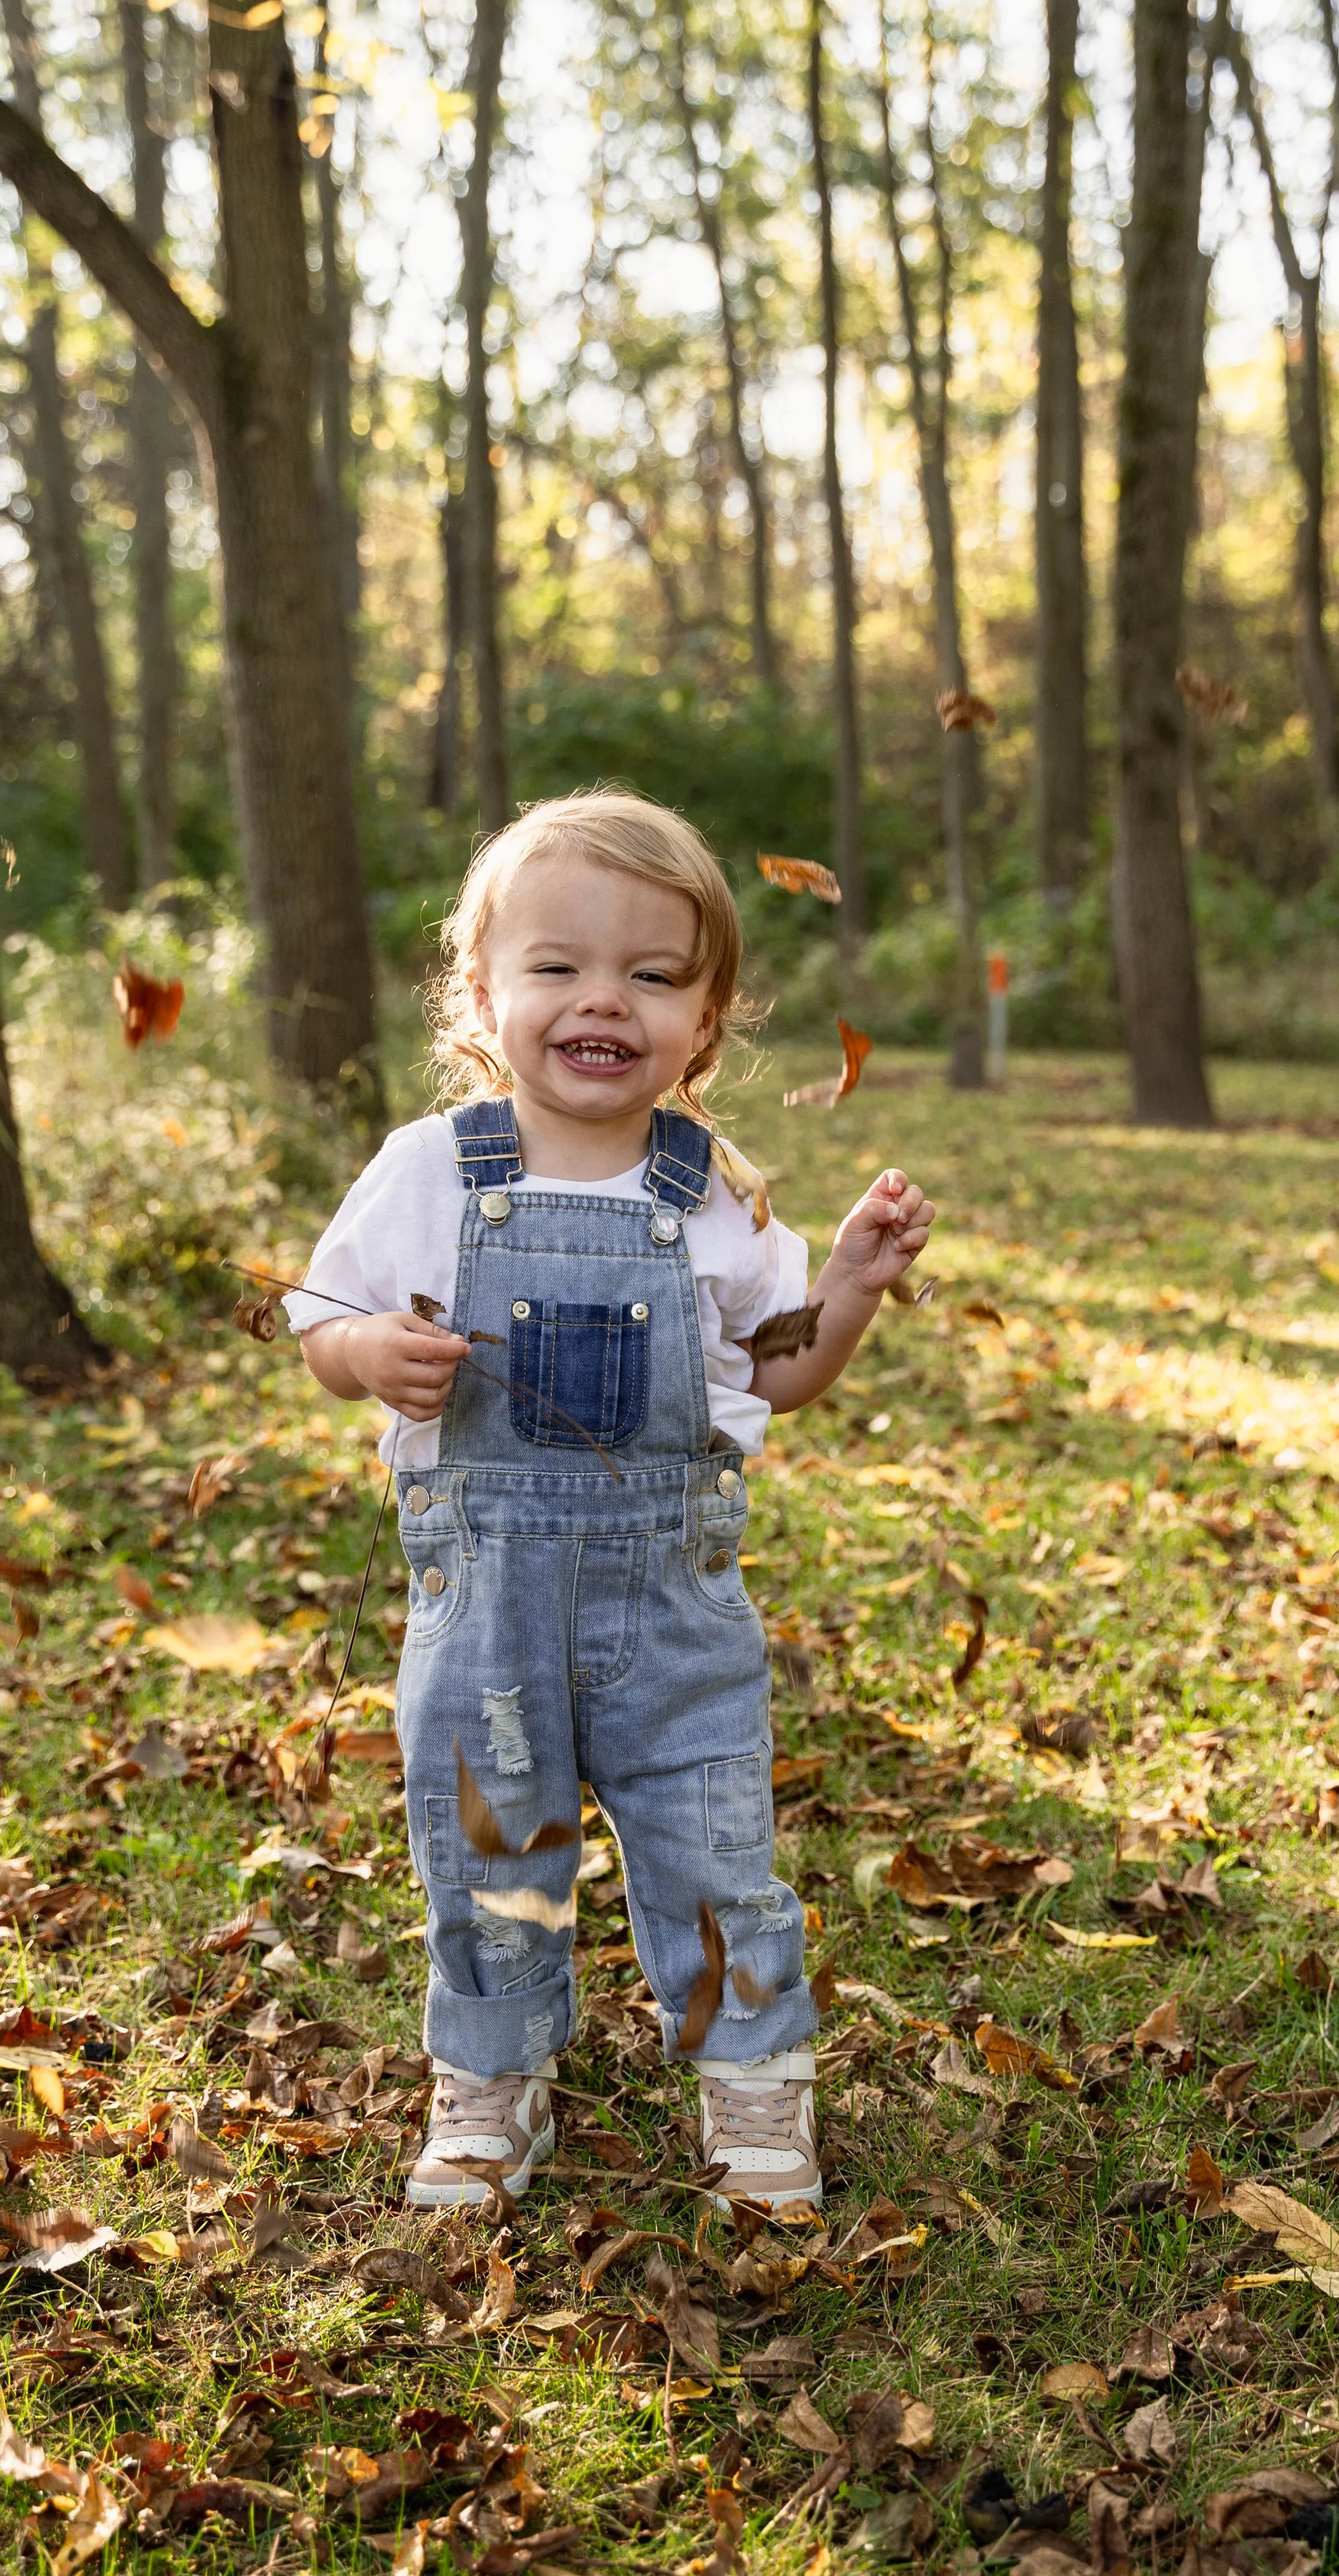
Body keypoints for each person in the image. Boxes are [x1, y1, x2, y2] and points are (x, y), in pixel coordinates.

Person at [290, 791, 933, 2212]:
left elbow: (779, 1373)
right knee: (491, 1849)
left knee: (713, 1848)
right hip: (486, 1612)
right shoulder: (431, 1172)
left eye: (651, 975)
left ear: (705, 1019)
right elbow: (323, 1319)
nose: (604, 1001)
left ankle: (752, 2093)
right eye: (559, 967)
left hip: (671, 1607)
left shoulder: (712, 1197)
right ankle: (491, 2087)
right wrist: (366, 1356)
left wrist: (843, 1289)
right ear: (482, 990)